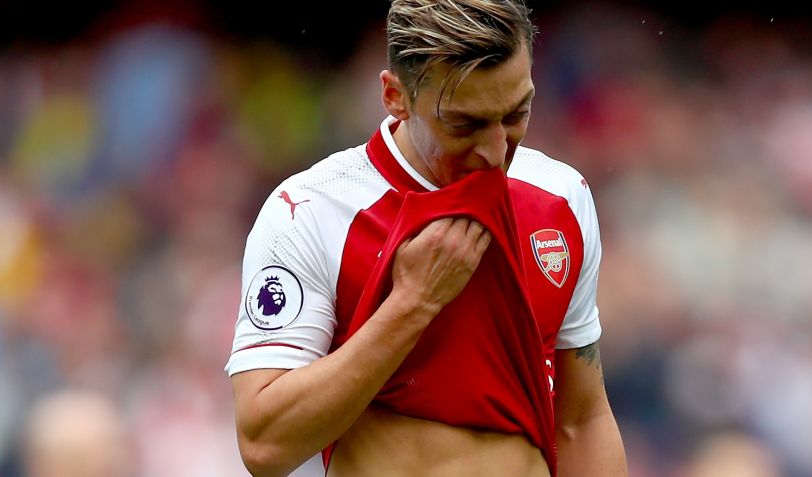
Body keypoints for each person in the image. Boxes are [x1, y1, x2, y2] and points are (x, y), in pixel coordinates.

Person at [227, 1, 627, 475]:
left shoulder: (561, 198)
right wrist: (412, 303)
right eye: (465, 124)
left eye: (516, 114)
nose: (496, 151)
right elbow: (265, 446)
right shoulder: (310, 211)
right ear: (395, 96)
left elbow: (581, 420)